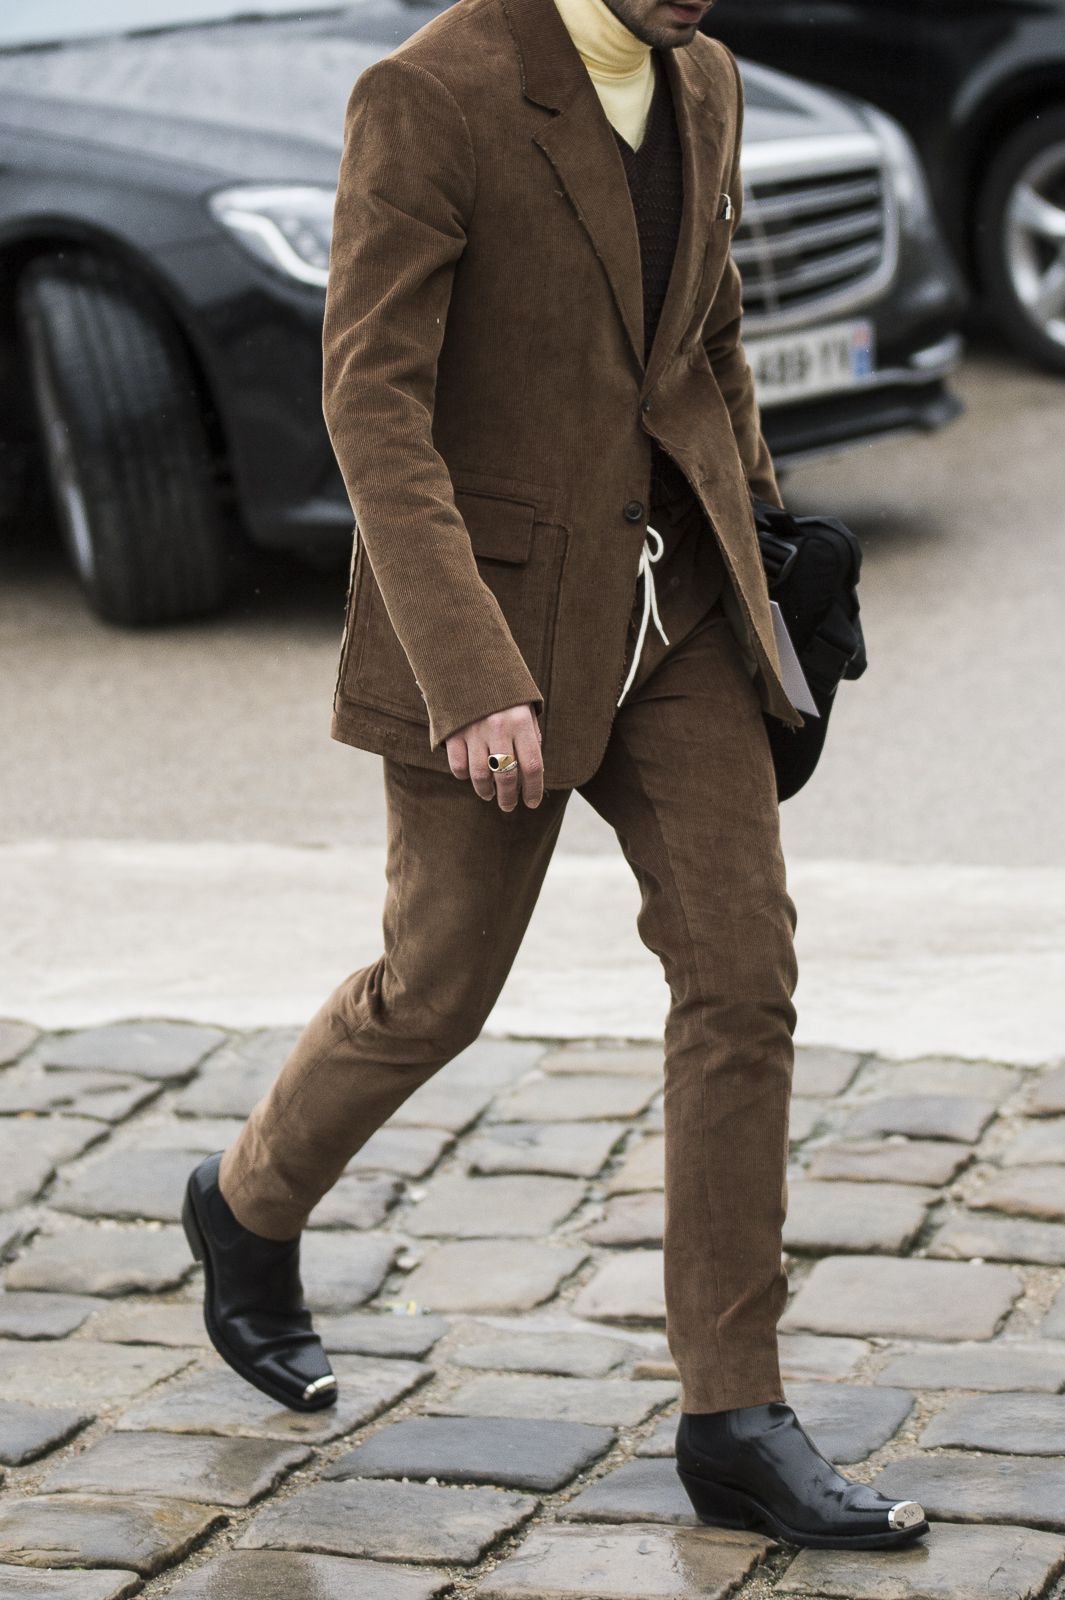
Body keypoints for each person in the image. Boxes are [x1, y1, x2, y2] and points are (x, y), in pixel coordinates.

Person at [183, 0, 928, 1549]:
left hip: (680, 613)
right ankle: (246, 1204)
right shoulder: (427, 96)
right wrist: (468, 675)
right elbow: (371, 403)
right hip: (496, 630)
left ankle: (733, 1414)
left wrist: (767, 543)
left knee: (742, 975)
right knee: (435, 990)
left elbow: (704, 340)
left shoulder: (702, 77)